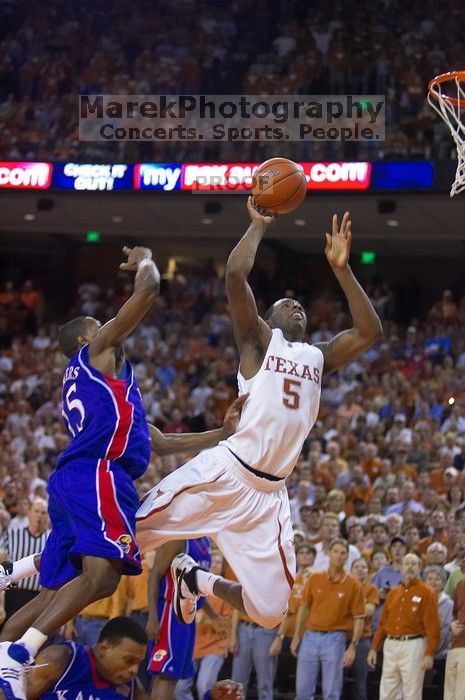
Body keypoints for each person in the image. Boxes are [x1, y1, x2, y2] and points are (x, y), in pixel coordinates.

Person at [0, 246, 245, 699]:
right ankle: (19, 656)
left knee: (52, 593)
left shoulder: (102, 388)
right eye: (99, 325)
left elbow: (161, 440)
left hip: (75, 479)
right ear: (84, 340)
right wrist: (147, 259)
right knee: (104, 576)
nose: (109, 328)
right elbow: (149, 288)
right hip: (98, 477)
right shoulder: (95, 353)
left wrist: (222, 433)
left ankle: (2, 655)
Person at [136, 200, 382, 630]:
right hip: (227, 471)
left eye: (301, 305)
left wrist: (342, 270)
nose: (297, 307)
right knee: (123, 538)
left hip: (269, 496)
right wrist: (258, 226)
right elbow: (235, 275)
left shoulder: (318, 356)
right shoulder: (257, 341)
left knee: (269, 613)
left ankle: (195, 578)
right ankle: (18, 574)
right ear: (267, 317)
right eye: (288, 304)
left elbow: (369, 332)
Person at [290, 539, 365, 700]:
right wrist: (297, 635)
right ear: (329, 554)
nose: (338, 556)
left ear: (347, 557)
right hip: (310, 636)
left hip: (335, 638)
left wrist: (353, 646)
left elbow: (359, 618)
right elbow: (304, 608)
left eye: (343, 553)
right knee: (302, 691)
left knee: (331, 691)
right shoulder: (315, 578)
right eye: (335, 551)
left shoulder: (353, 584)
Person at [367, 553, 440, 700]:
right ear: (401, 567)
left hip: (413, 645)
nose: (410, 567)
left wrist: (429, 653)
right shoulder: (393, 592)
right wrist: (374, 648)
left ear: (420, 568)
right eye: (407, 563)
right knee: (387, 691)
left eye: (414, 563)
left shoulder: (428, 592)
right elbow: (383, 624)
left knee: (411, 692)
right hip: (390, 644)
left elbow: (433, 626)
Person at [146, 538, 211, 700]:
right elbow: (154, 575)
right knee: (166, 674)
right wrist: (153, 616)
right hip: (169, 612)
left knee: (173, 675)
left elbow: (199, 586)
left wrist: (215, 617)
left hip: (188, 615)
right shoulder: (178, 538)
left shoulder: (206, 541)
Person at [349, 557, 379, 700]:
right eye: (357, 567)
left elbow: (370, 611)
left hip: (363, 639)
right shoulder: (345, 586)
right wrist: (362, 605)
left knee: (361, 681)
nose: (360, 569)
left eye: (364, 567)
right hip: (343, 637)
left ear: (369, 571)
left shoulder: (371, 588)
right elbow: (364, 609)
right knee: (337, 680)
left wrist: (349, 608)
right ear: (350, 570)